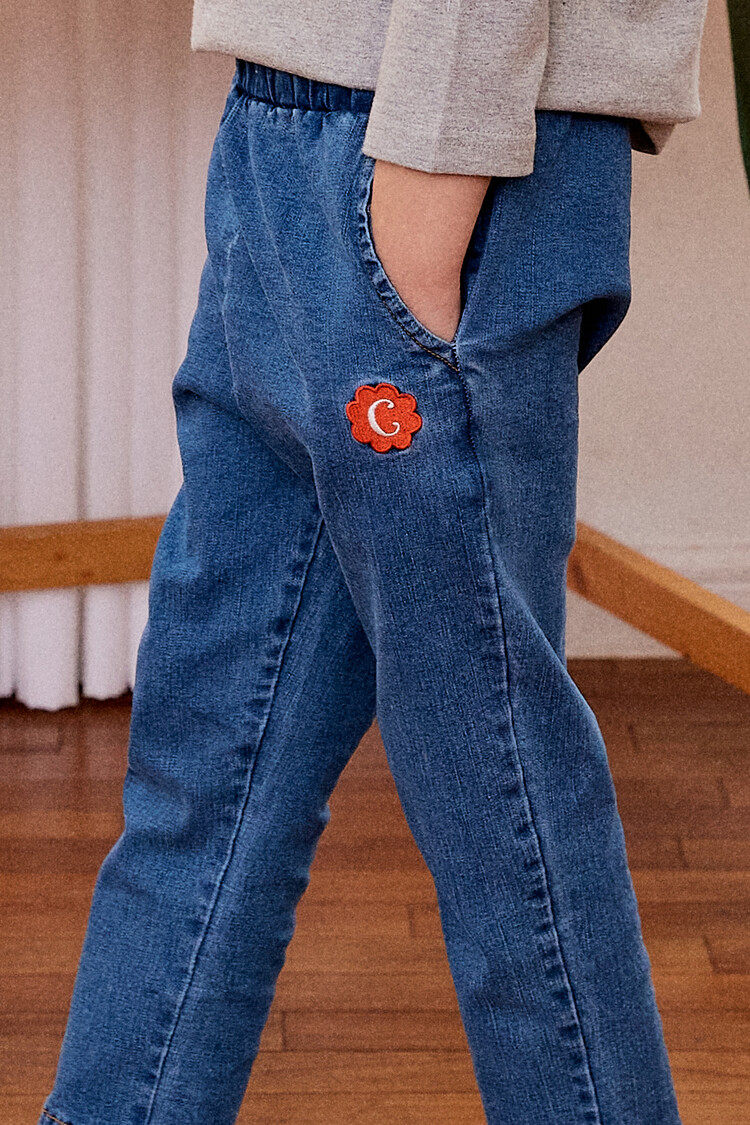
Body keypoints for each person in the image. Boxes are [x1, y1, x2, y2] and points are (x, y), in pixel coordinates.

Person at [38, 3, 709, 1124]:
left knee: (500, 798)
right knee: (210, 771)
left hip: (428, 138)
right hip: (288, 126)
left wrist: (433, 171)